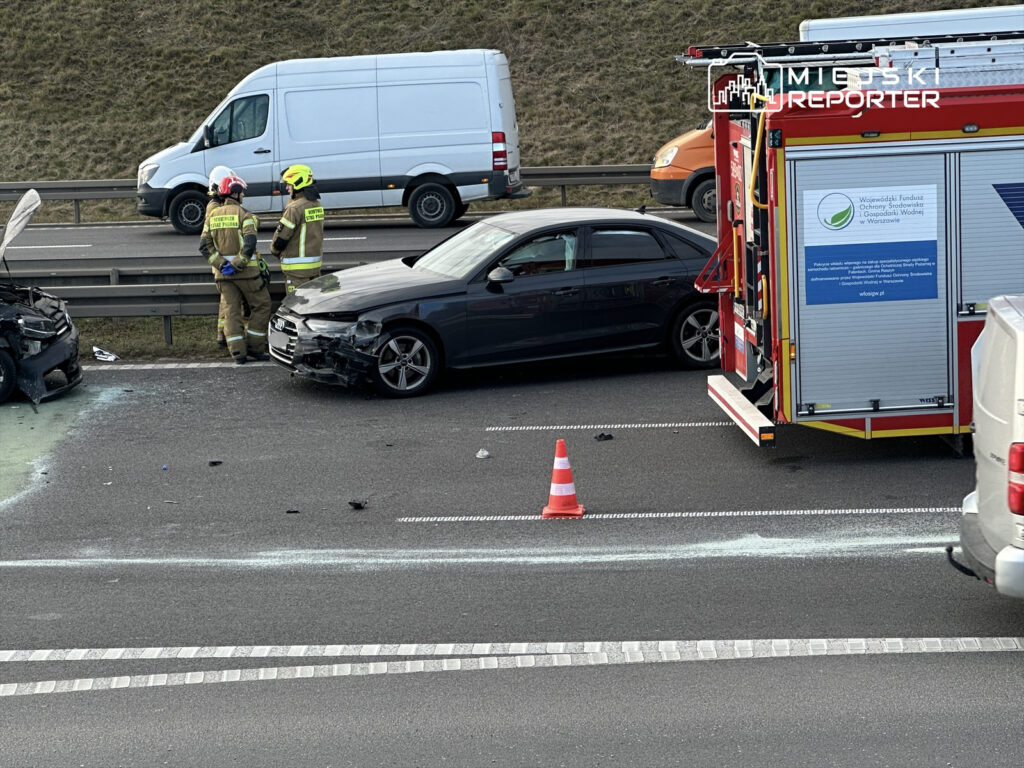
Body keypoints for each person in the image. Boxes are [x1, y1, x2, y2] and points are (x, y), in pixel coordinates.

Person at [199, 176, 271, 364]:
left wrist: (222, 264)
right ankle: (255, 347)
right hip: (247, 274)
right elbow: (250, 243)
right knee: (262, 305)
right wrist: (238, 263)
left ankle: (237, 353)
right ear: (235, 193)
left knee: (231, 311)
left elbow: (204, 247)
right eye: (242, 192)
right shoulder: (244, 215)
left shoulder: (212, 216)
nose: (243, 195)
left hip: (223, 275)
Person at [271, 164, 324, 293]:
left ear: (298, 184)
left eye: (289, 184)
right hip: (314, 268)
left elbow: (281, 238)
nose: (287, 187)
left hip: (297, 272)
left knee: (297, 307)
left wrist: (274, 250)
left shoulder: (294, 208)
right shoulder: (316, 205)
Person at [206, 165, 236, 348]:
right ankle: (225, 336)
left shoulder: (217, 205)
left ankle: (222, 336)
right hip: (222, 262)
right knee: (229, 302)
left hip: (223, 261)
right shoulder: (215, 208)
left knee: (226, 301)